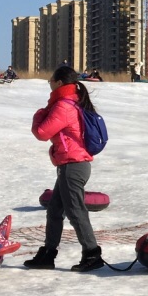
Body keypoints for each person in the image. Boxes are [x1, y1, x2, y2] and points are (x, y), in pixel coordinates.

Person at [25, 64, 104, 272]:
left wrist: (39, 114)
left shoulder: (64, 106)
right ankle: (48, 254)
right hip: (71, 165)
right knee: (54, 210)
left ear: (59, 83)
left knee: (75, 211)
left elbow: (42, 133)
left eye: (51, 79)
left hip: (73, 166)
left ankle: (92, 253)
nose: (49, 82)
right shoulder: (72, 103)